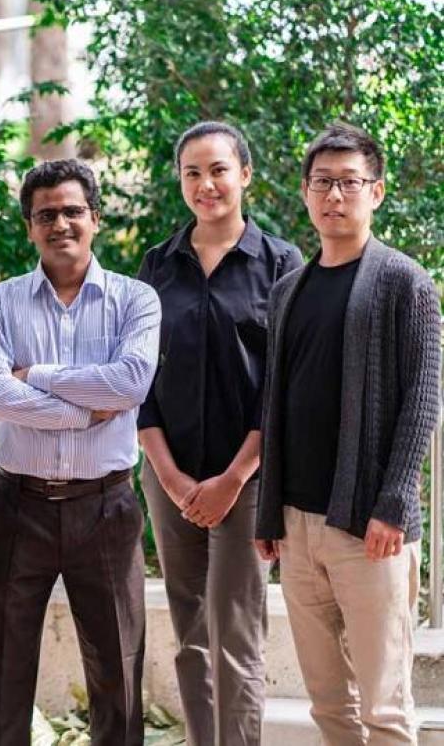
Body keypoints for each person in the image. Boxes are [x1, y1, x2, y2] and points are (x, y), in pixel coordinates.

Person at [255, 122, 441, 744]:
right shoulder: (287, 290)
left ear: (376, 192)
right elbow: (275, 406)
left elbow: (423, 398)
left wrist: (393, 505)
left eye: (350, 183)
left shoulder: (403, 281)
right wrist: (267, 515)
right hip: (298, 526)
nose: (336, 196)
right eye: (323, 183)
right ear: (306, 192)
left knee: (384, 709)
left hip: (371, 529)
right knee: (329, 706)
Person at [0, 158, 161, 745]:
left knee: (118, 677)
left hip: (104, 509)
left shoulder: (136, 300)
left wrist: (36, 375)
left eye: (73, 211)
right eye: (45, 214)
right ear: (29, 227)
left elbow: (129, 384)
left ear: (95, 218)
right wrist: (84, 410)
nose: (60, 224)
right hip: (16, 505)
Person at [136, 121, 303, 745]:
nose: (207, 184)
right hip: (168, 473)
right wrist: (173, 478)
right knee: (190, 632)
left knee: (236, 633)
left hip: (249, 477)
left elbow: (284, 386)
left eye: (219, 170)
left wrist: (234, 477)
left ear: (246, 175)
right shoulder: (158, 264)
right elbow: (140, 379)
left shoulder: (282, 264)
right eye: (193, 173)